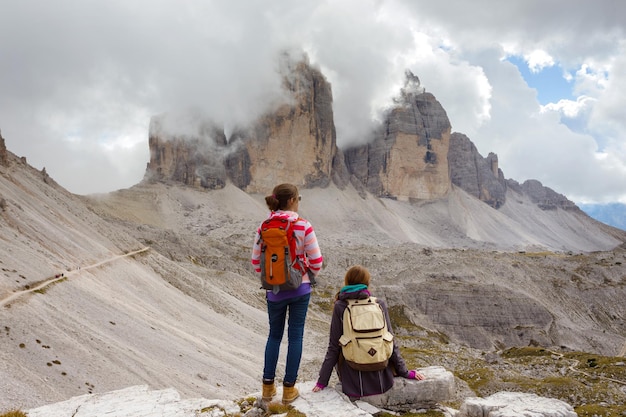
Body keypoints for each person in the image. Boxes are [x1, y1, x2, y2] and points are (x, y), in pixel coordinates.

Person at [251, 183, 324, 404]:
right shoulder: (303, 225)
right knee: (296, 337)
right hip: (300, 289)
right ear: (292, 200)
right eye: (298, 198)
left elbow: (256, 263)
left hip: (274, 291)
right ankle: (289, 390)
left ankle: (267, 388)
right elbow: (317, 262)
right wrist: (301, 271)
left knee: (274, 336)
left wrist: (275, 276)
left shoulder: (263, 226)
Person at [312, 265, 425, 400]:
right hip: (382, 380)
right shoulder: (379, 304)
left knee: (341, 344)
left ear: (347, 281)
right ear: (367, 283)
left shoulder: (341, 306)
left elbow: (333, 347)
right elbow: (390, 340)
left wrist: (322, 382)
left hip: (354, 383)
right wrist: (405, 372)